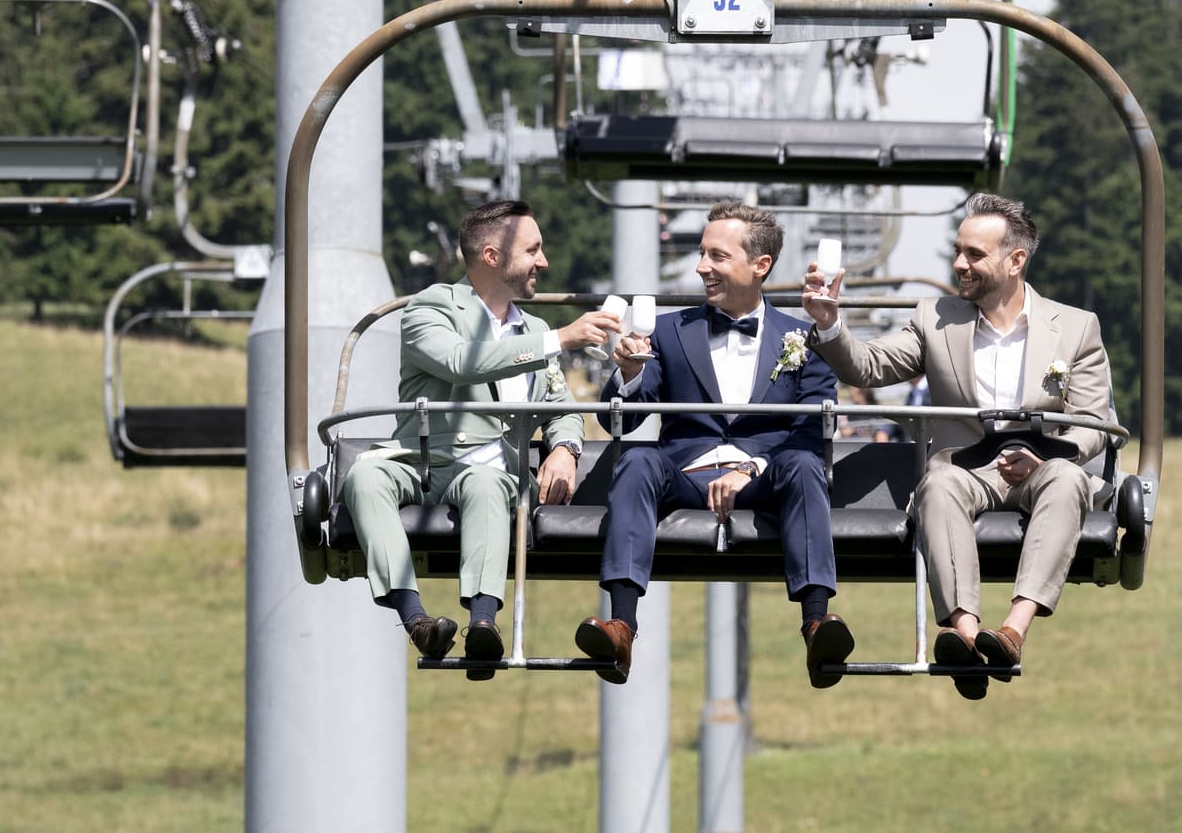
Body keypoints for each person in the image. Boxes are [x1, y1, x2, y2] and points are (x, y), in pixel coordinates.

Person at [801, 193, 1112, 700]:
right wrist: (829, 323)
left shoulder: (1074, 328)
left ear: (1016, 261)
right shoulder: (936, 319)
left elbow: (1092, 422)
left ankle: (1012, 629)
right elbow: (871, 367)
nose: (959, 264)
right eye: (958, 251)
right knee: (938, 483)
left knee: (1067, 478)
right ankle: (966, 634)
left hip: (1041, 465)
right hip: (966, 467)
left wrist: (1049, 455)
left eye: (974, 254)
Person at [576, 202, 855, 689]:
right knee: (638, 460)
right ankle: (621, 627)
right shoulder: (667, 331)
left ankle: (817, 626)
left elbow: (812, 422)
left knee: (806, 464)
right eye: (702, 254)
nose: (701, 267)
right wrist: (628, 372)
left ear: (760, 266)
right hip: (684, 472)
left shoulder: (805, 339)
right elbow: (620, 418)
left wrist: (750, 468)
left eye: (717, 256)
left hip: (767, 475)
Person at [340, 200, 623, 678]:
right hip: (425, 461)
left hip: (492, 474)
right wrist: (562, 338)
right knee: (366, 473)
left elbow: (561, 407)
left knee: (490, 483)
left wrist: (565, 448)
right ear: (492, 256)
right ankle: (418, 620)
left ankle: (483, 623)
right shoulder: (430, 309)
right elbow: (460, 362)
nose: (544, 262)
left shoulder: (530, 327)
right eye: (533, 250)